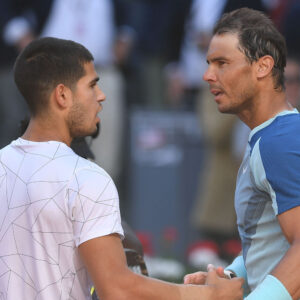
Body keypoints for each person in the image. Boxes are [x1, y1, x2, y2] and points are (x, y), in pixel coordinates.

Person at [0, 37, 243, 299]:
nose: (101, 95)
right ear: (62, 95)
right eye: (92, 85)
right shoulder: (85, 178)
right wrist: (210, 296)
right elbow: (117, 289)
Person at [184, 7, 300, 299]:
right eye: (209, 63)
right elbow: (271, 242)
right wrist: (232, 275)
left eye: (222, 63)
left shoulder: (278, 141)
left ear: (262, 67)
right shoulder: (270, 136)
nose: (208, 75)